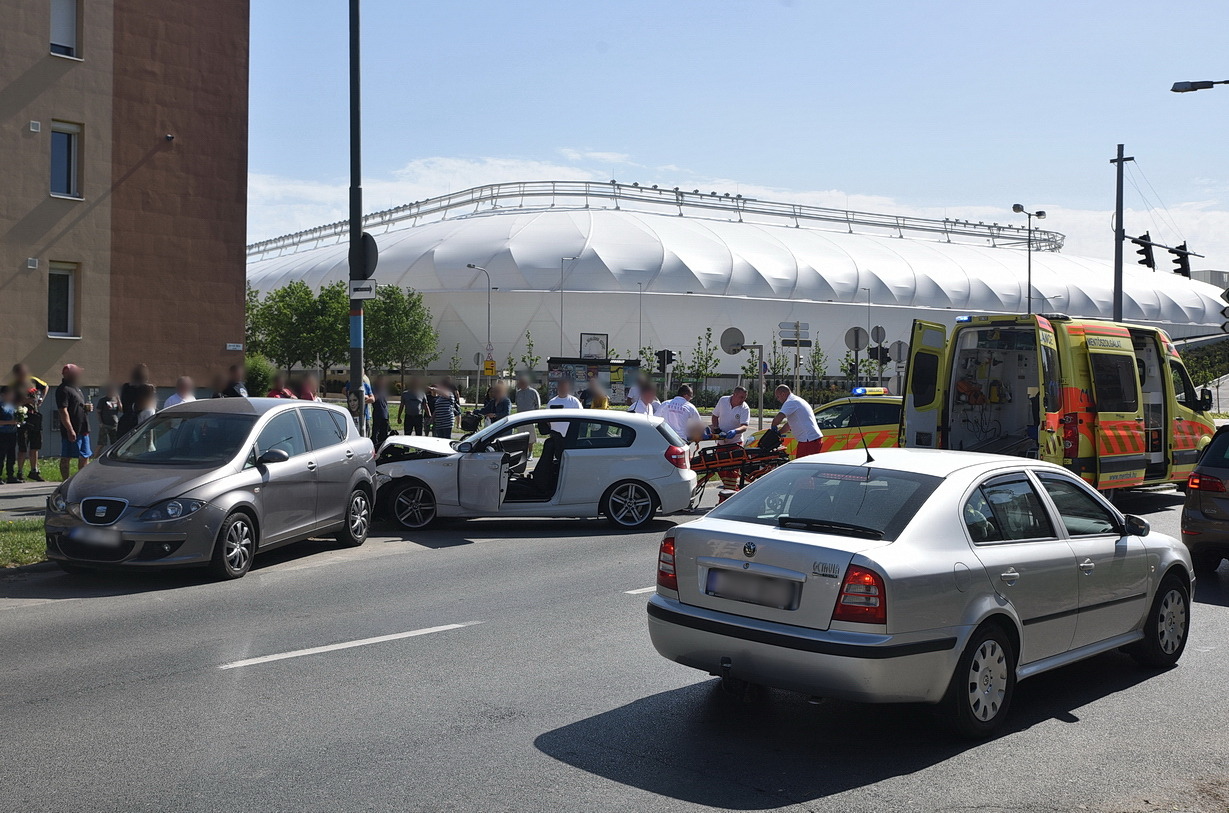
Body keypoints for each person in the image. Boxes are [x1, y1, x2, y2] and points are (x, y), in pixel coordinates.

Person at [9, 364, 48, 482]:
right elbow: (11, 403)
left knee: (35, 446)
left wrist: (41, 399)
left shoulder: (33, 380)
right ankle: (20, 472)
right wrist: (26, 401)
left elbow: (46, 386)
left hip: (35, 415)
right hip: (23, 417)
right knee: (22, 447)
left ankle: (34, 471)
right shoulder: (14, 386)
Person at [55, 364, 92, 479]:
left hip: (83, 428)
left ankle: (81, 480)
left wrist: (87, 408)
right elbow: (63, 411)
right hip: (72, 430)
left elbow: (77, 406)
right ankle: (65, 482)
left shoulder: (76, 388)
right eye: (76, 373)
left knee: (85, 456)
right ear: (69, 375)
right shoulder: (63, 389)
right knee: (67, 457)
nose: (78, 375)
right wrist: (70, 429)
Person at [711, 386, 752, 489]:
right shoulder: (723, 400)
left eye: (745, 397)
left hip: (735, 443)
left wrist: (735, 431)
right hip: (721, 442)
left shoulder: (744, 408)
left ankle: (729, 492)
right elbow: (715, 416)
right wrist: (716, 428)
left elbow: (744, 426)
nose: (743, 400)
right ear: (734, 395)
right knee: (721, 468)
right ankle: (730, 490)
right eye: (741, 397)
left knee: (732, 471)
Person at [772, 385, 823, 458]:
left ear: (783, 394)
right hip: (811, 439)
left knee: (803, 467)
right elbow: (789, 425)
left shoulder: (791, 402)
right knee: (806, 466)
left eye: (778, 397)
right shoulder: (797, 400)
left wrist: (773, 428)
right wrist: (778, 433)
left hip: (808, 440)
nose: (778, 399)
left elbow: (778, 418)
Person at [117, 363, 150, 436]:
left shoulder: (125, 387)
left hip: (124, 424)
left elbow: (124, 407)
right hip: (137, 427)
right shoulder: (146, 389)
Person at [512, 376, 540, 460]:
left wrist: (535, 417)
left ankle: (531, 453)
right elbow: (517, 404)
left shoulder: (533, 392)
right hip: (520, 418)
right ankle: (524, 453)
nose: (519, 384)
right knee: (521, 437)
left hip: (530, 418)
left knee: (530, 437)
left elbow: (537, 405)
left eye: (521, 382)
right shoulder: (518, 393)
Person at [0, 388, 19, 484]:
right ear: (3, 395)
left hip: (12, 433)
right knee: (1, 455)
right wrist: (10, 422)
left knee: (11, 455)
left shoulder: (12, 406)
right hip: (2, 433)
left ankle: (10, 475)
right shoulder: (1, 406)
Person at [371, 375, 392, 448]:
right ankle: (375, 446)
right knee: (375, 432)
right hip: (377, 413)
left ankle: (382, 446)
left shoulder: (384, 390)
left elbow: (385, 403)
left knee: (384, 433)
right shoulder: (374, 389)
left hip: (385, 414)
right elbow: (374, 399)